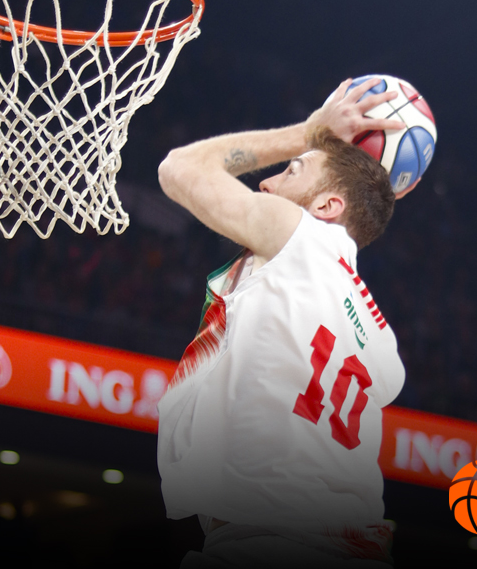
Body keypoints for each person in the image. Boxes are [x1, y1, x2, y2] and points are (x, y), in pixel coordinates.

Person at [157, 78, 412, 568]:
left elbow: (179, 169)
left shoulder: (301, 237)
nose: (266, 184)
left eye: (291, 171)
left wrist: (309, 133)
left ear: (326, 207)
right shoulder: (381, 342)